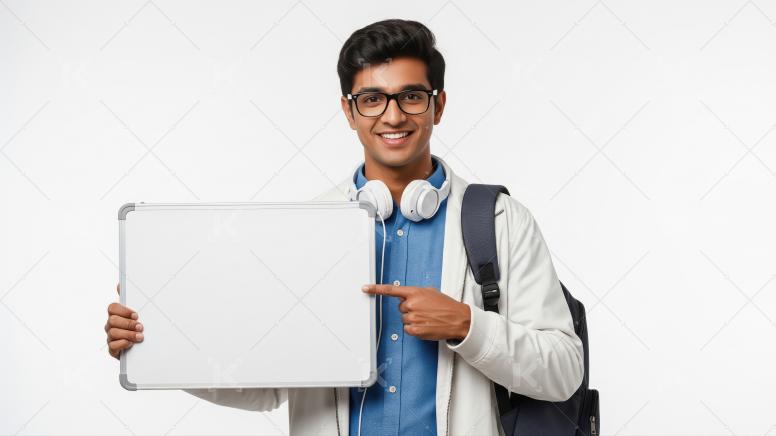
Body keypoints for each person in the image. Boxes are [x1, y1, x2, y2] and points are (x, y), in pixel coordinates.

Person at [105, 18, 584, 436]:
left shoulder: (499, 222)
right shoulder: (304, 229)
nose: (393, 116)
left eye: (412, 97)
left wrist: (466, 325)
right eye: (372, 99)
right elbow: (267, 387)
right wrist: (158, 342)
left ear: (437, 106)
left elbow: (563, 371)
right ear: (349, 111)